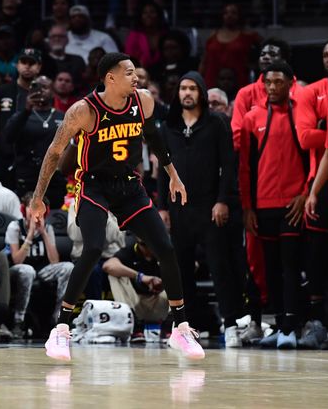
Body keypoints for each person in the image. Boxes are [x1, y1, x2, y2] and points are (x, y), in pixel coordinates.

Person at [30, 52, 204, 362]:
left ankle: (180, 327)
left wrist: (173, 176)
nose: (135, 77)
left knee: (165, 246)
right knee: (94, 247)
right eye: (128, 72)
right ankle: (61, 329)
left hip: (130, 186)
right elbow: (55, 153)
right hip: (93, 186)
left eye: (135, 71)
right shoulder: (83, 111)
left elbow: (154, 138)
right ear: (110, 78)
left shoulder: (144, 100)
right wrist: (37, 198)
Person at [157, 72, 245, 346]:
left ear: (201, 93)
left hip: (208, 207)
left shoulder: (216, 123)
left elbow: (228, 167)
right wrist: (162, 207)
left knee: (220, 268)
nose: (187, 93)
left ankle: (230, 323)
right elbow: (162, 169)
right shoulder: (168, 126)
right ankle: (186, 326)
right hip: (178, 209)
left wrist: (222, 201)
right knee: (181, 271)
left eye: (192, 88)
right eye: (183, 88)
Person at [239, 62, 306, 349]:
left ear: (291, 83)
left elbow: (311, 158)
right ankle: (279, 325)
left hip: (293, 203)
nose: (273, 87)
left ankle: (291, 327)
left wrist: (305, 194)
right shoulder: (252, 117)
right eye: (268, 82)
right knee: (271, 268)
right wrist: (247, 207)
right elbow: (245, 168)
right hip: (263, 206)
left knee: (291, 267)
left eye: (279, 82)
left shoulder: (301, 114)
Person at [294, 40, 328, 348]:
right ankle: (320, 322)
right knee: (319, 257)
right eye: (326, 54)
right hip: (324, 187)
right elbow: (307, 138)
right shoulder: (314, 93)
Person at [8, 192, 74, 334]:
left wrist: (43, 232)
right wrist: (30, 234)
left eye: (39, 209)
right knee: (27, 271)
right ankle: (18, 320)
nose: (35, 212)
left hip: (41, 270)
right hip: (19, 270)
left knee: (68, 267)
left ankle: (59, 318)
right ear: (23, 210)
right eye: (31, 208)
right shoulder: (15, 227)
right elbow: (17, 260)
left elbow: (54, 261)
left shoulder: (48, 228)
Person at [0, 48, 43, 186]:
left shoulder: (45, 92)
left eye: (32, 63)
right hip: (6, 158)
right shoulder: (1, 91)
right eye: (23, 62)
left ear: (39, 67)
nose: (27, 66)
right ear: (17, 65)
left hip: (36, 159)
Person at [3, 75, 66, 205]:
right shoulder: (21, 116)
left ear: (53, 91)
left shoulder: (62, 116)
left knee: (55, 218)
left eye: (45, 87)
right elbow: (8, 137)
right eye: (36, 87)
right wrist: (26, 110)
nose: (40, 91)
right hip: (27, 177)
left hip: (54, 178)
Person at [103, 236, 169, 342]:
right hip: (136, 305)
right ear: (138, 244)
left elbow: (192, 265)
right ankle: (135, 326)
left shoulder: (167, 249)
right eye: (144, 245)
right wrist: (141, 277)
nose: (148, 249)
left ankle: (170, 325)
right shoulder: (129, 249)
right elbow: (108, 266)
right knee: (114, 275)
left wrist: (163, 283)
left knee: (181, 274)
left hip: (161, 306)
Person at [199, 3, 260, 90]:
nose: (229, 15)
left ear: (239, 15)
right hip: (212, 84)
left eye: (233, 13)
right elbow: (204, 62)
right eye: (226, 13)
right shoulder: (213, 36)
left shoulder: (248, 36)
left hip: (239, 83)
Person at [125, 2, 168, 72]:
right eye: (145, 13)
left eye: (152, 12)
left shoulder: (165, 34)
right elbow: (129, 57)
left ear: (159, 15)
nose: (148, 15)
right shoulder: (134, 35)